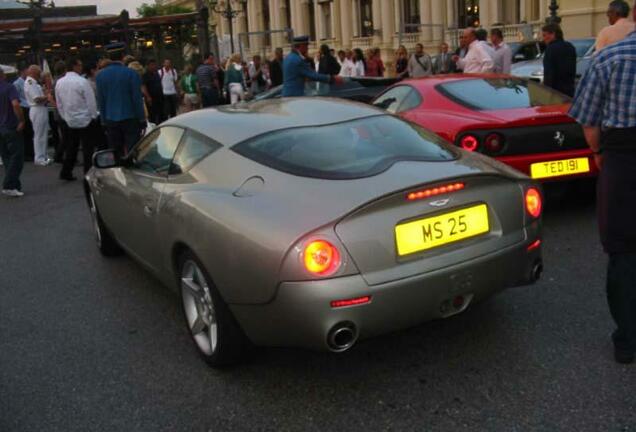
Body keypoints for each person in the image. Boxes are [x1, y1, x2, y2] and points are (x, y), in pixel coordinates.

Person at [568, 12, 636, 364]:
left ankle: (628, 339)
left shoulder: (610, 57)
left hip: (623, 157)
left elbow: (588, 119)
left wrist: (598, 154)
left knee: (623, 248)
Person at [96, 42, 146, 158]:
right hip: (130, 118)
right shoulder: (132, 74)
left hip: (110, 119)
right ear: (123, 56)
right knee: (132, 151)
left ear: (108, 57)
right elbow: (137, 99)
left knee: (115, 152)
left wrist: (103, 121)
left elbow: (101, 101)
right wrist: (142, 118)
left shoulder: (100, 76)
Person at [55, 57, 98, 181]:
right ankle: (88, 173)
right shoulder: (82, 81)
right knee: (87, 148)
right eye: (79, 65)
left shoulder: (59, 82)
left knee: (71, 147)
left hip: (70, 119)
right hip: (85, 118)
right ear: (74, 66)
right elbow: (90, 101)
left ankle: (66, 171)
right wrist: (93, 115)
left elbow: (59, 103)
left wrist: (64, 116)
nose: (81, 67)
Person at [0, 67, 26, 197]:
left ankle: (15, 184)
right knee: (17, 156)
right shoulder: (9, 87)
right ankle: (9, 184)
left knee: (6, 157)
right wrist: (21, 120)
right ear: (2, 75)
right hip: (10, 125)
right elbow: (15, 104)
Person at [24, 65, 51, 166]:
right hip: (37, 108)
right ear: (34, 72)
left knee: (43, 134)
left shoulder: (34, 83)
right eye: (39, 72)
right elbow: (36, 99)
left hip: (40, 108)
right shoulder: (30, 83)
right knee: (39, 134)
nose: (40, 75)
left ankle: (43, 156)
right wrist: (47, 97)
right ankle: (39, 158)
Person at [542, 23, 577, 97]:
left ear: (553, 34)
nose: (543, 38)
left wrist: (546, 92)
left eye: (545, 35)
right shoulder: (570, 46)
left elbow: (549, 73)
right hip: (569, 89)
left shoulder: (550, 49)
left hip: (555, 92)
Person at [142, 59, 164, 125]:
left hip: (159, 98)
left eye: (154, 64)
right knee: (152, 116)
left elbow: (160, 83)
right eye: (152, 65)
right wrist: (148, 97)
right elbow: (143, 86)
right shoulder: (145, 75)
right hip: (151, 99)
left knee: (161, 114)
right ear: (148, 66)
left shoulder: (156, 74)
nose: (154, 66)